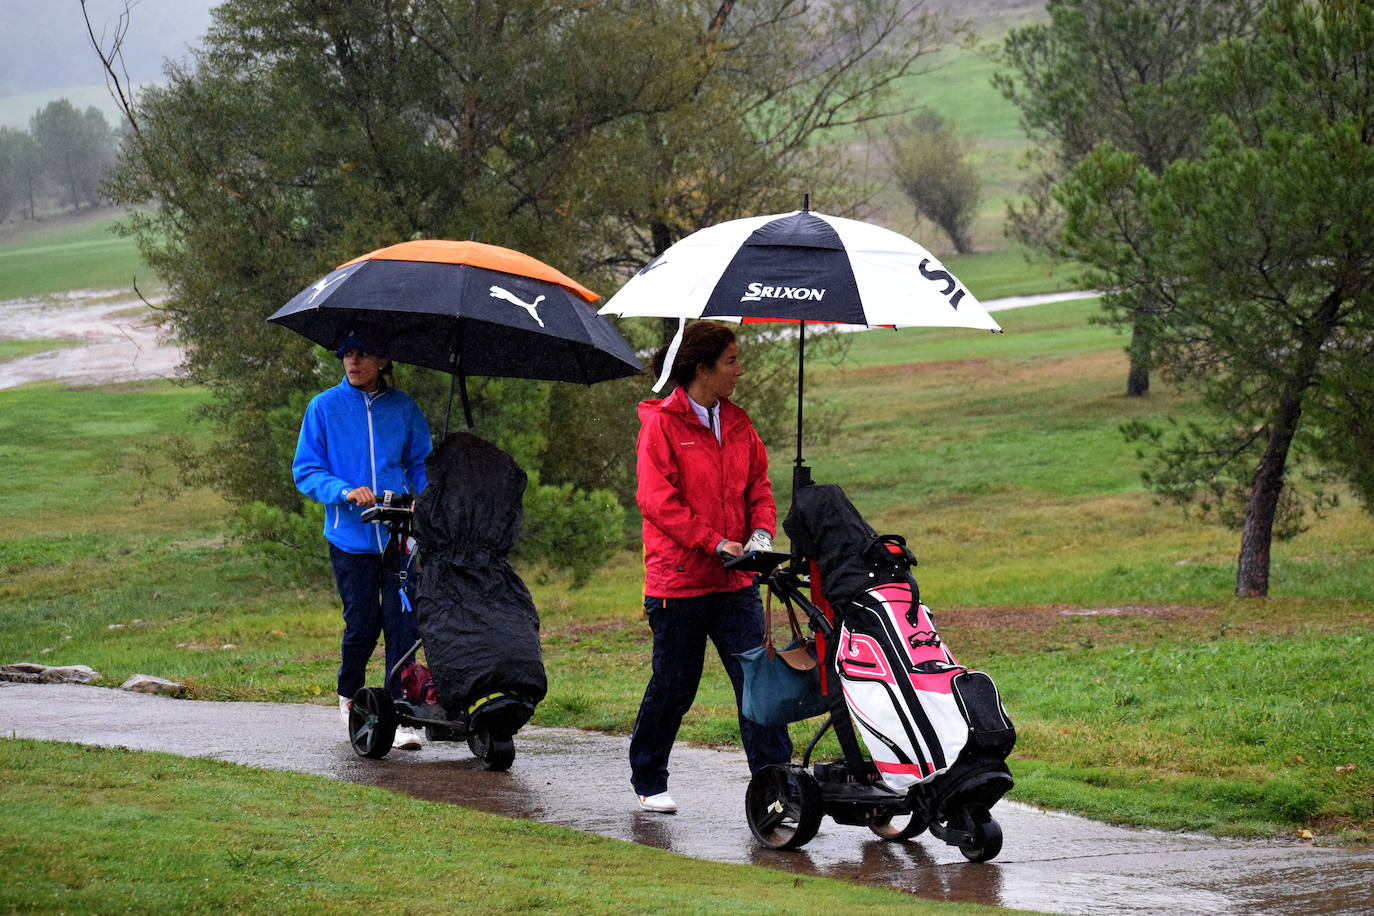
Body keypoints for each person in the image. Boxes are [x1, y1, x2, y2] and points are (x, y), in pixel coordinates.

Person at [629, 321, 792, 813]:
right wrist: (715, 542)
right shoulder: (662, 425)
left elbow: (758, 487)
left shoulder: (739, 423)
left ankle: (775, 784)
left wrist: (760, 533)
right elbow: (658, 503)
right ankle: (648, 777)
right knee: (675, 687)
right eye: (731, 362)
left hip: (735, 579)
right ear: (702, 369)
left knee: (757, 685)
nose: (740, 371)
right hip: (678, 585)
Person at [292, 326, 432, 750]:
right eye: (347, 355)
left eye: (363, 355)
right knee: (363, 626)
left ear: (383, 361)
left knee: (402, 624)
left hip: (399, 539)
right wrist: (343, 490)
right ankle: (350, 695)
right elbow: (306, 471)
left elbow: (420, 463)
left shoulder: (404, 408)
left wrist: (425, 500)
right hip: (349, 540)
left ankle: (402, 713)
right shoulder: (323, 407)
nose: (353, 362)